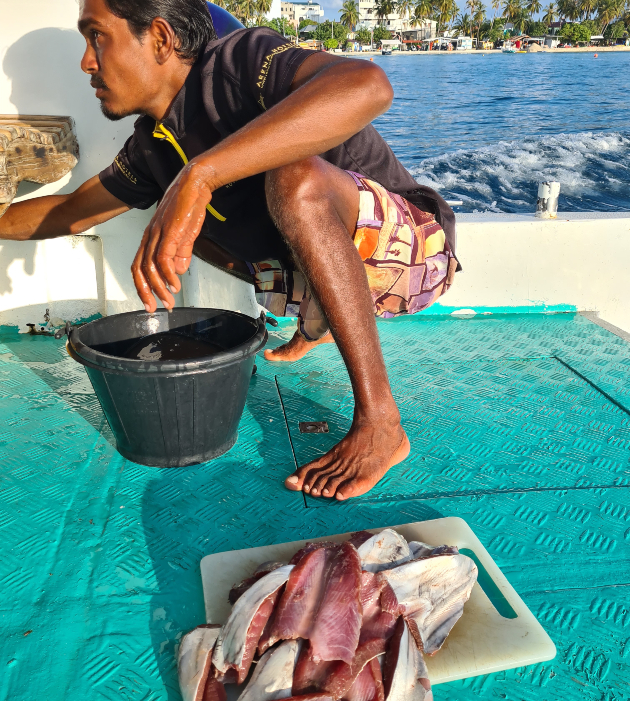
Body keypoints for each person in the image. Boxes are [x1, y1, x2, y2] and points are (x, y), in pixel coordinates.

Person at [0, 0, 460, 501]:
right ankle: (319, 317)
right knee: (184, 231)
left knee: (294, 178)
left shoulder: (240, 62)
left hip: (415, 254)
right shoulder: (150, 148)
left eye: (97, 36)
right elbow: (69, 212)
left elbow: (369, 85)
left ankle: (381, 425)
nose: (87, 62)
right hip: (328, 277)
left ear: (159, 37)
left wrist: (200, 177)